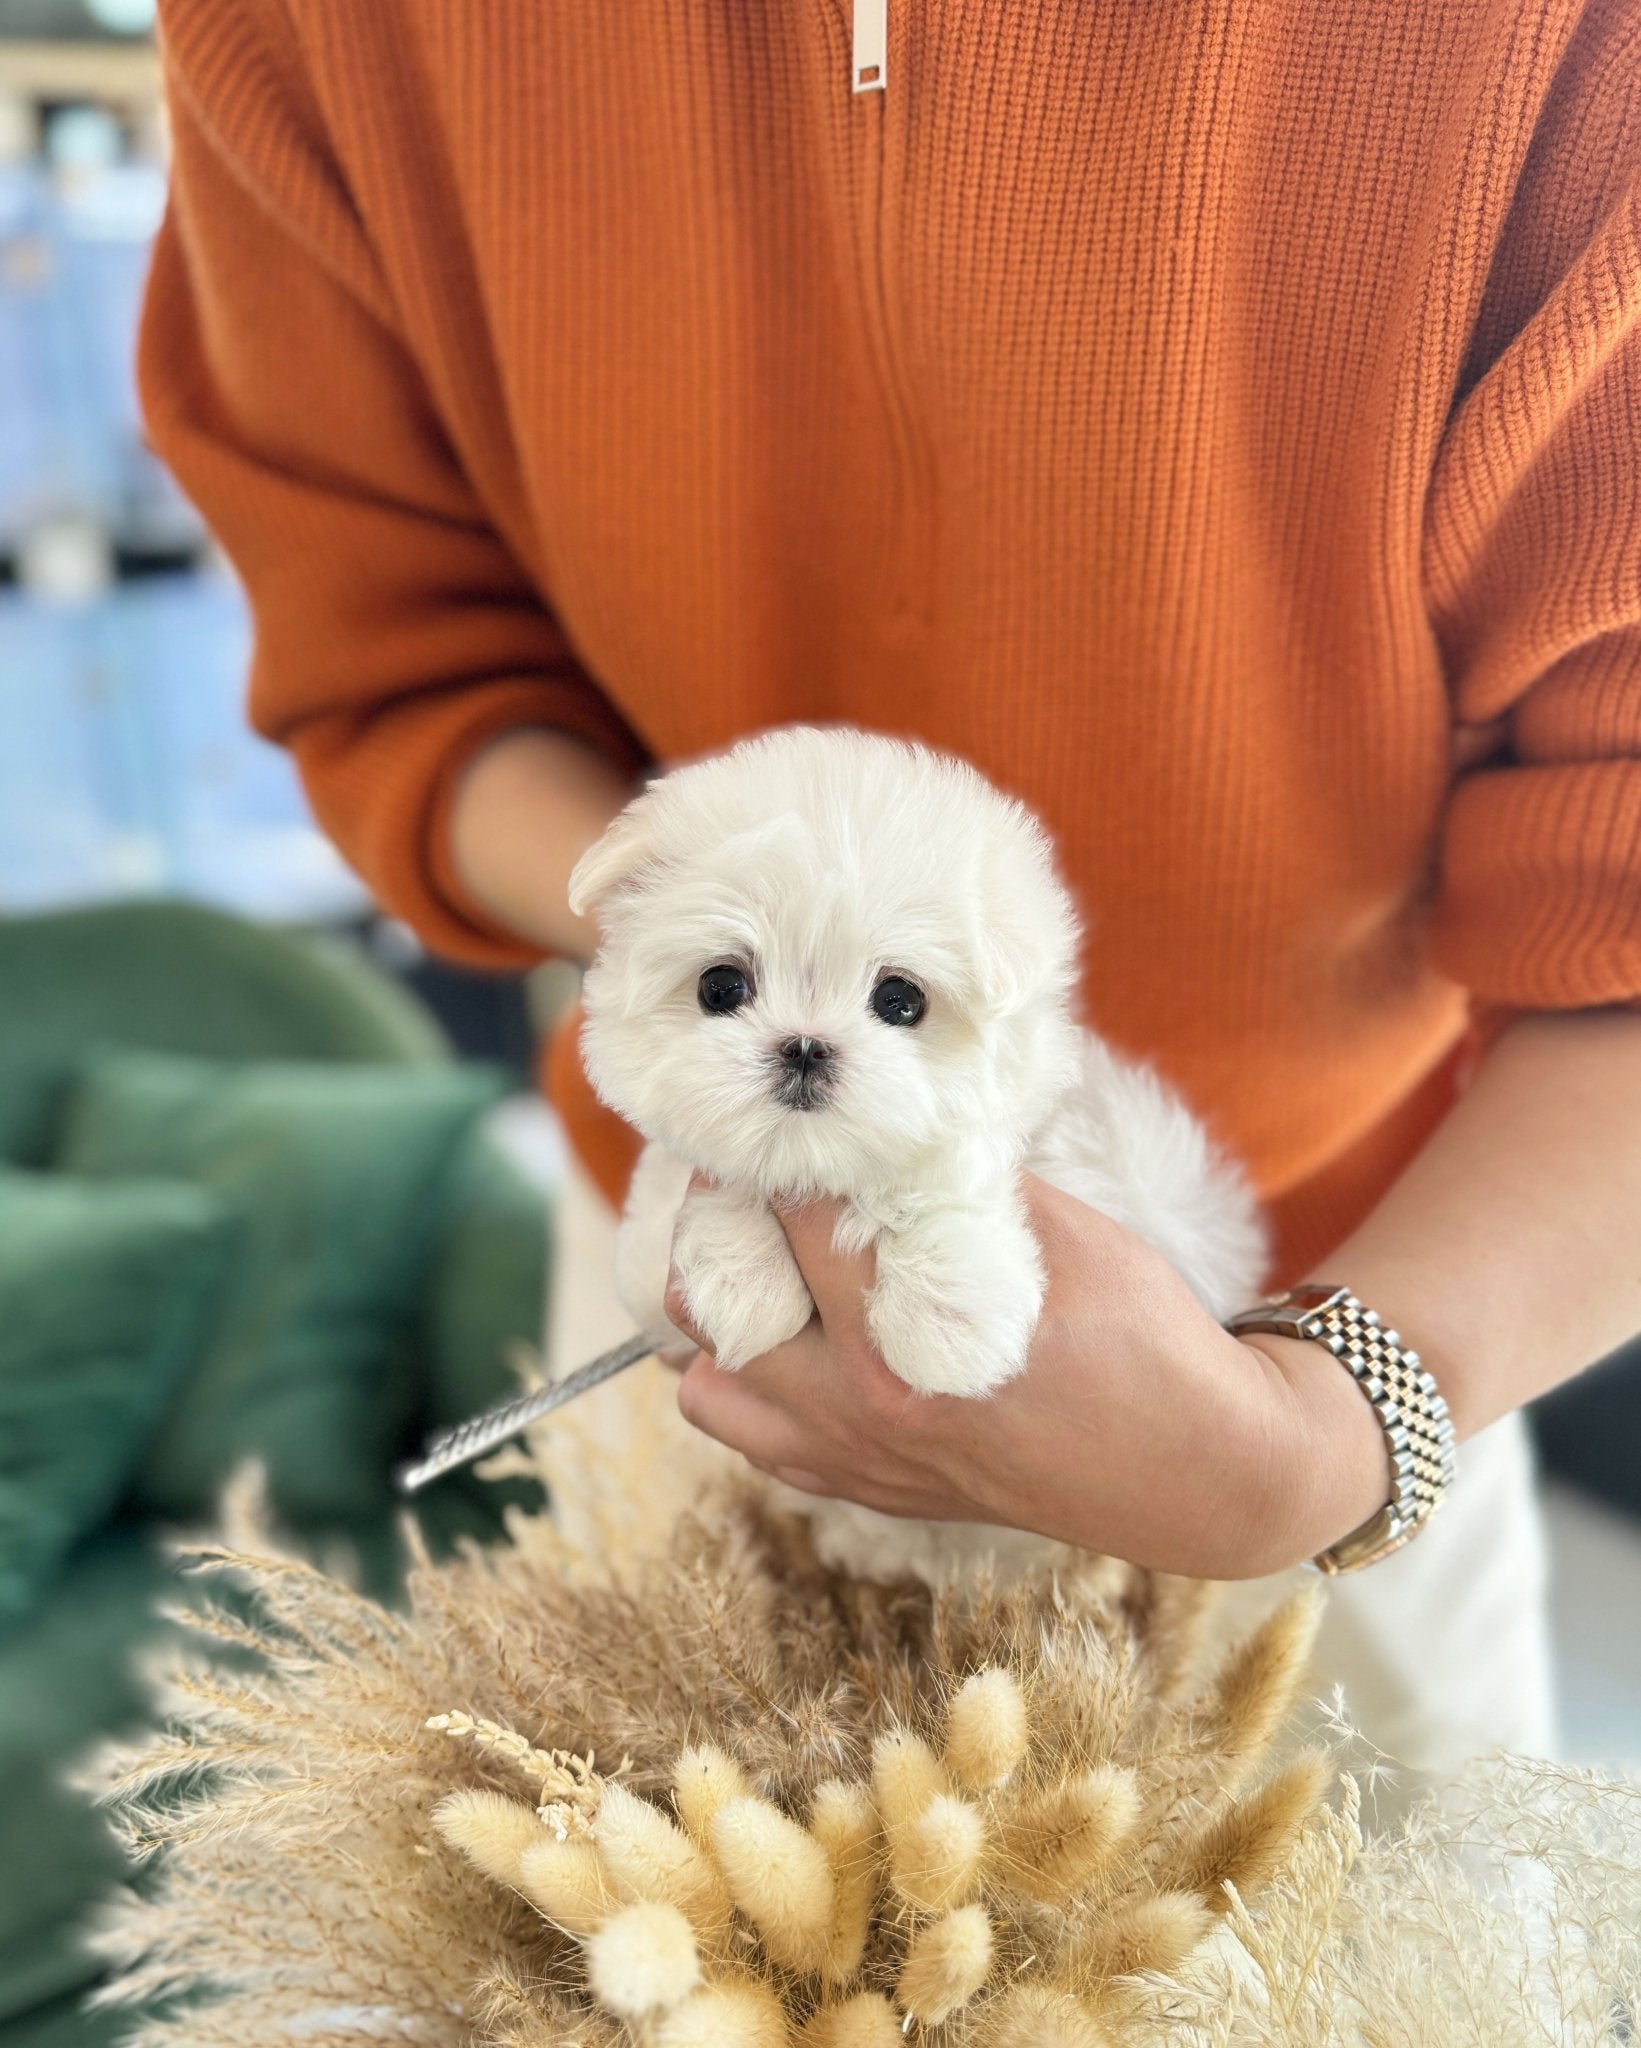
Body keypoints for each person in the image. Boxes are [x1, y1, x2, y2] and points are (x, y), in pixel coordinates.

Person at [140, 0, 1641, 1777]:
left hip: (1359, 1286)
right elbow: (392, 664)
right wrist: (678, 913)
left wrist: (1332, 1429)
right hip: (695, 1336)